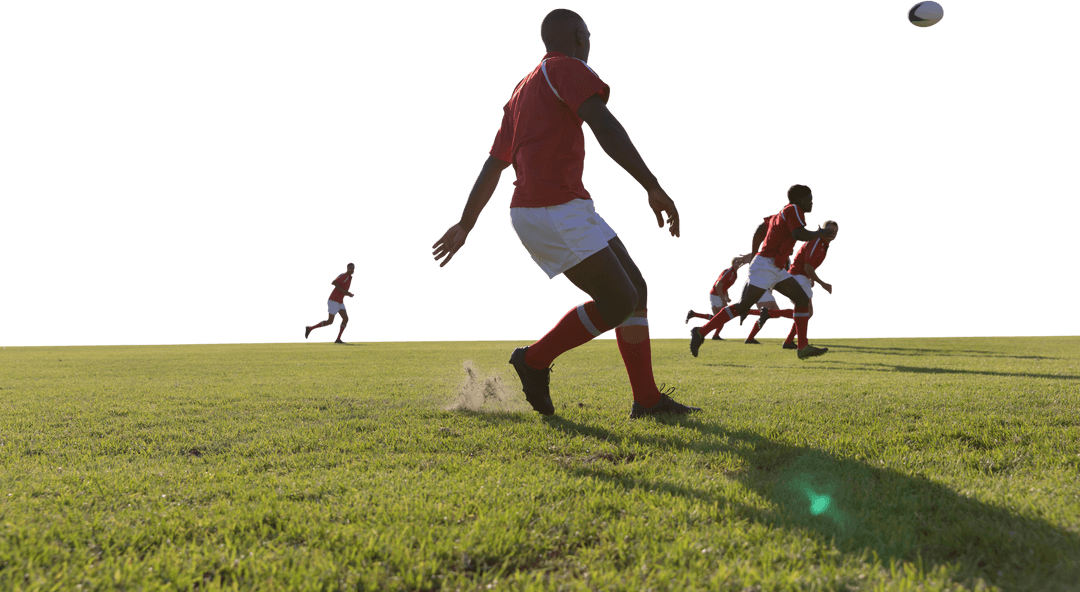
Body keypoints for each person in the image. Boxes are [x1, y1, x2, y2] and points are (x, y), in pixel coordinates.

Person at [431, 8, 699, 419]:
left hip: (564, 206)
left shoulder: (521, 91)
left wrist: (466, 222)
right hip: (550, 209)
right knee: (619, 299)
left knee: (637, 291)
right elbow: (605, 126)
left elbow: (493, 165)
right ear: (577, 35)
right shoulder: (565, 68)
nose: (590, 40)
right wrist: (651, 184)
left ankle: (647, 402)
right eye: (588, 33)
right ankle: (533, 360)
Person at [689, 184, 836, 359]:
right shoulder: (794, 209)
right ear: (799, 199)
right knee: (743, 306)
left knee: (801, 299)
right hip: (766, 265)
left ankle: (802, 347)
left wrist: (753, 252)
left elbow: (761, 228)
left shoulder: (783, 213)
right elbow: (798, 234)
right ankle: (701, 331)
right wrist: (819, 234)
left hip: (774, 266)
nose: (812, 202)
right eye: (809, 198)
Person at [757, 220, 839, 349]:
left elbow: (809, 266)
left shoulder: (823, 243)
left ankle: (786, 337)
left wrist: (811, 279)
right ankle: (771, 316)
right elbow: (807, 267)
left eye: (835, 231)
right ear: (823, 230)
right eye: (829, 230)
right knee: (805, 310)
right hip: (797, 276)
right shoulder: (817, 241)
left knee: (806, 312)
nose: (832, 233)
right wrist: (822, 284)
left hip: (802, 277)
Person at [684, 253, 778, 342]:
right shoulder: (729, 272)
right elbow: (718, 285)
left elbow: (725, 287)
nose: (739, 263)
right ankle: (712, 334)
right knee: (721, 318)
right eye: (736, 262)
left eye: (739, 262)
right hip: (715, 295)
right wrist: (722, 298)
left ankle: (695, 315)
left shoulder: (734, 274)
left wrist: (727, 297)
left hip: (717, 295)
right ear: (732, 264)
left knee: (718, 318)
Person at [304, 262, 355, 344]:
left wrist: (348, 294)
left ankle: (338, 339)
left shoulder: (350, 278)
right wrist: (346, 292)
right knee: (330, 322)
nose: (353, 270)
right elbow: (334, 282)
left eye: (354, 268)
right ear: (347, 268)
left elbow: (344, 289)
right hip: (334, 300)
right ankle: (309, 328)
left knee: (345, 318)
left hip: (340, 302)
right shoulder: (344, 275)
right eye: (351, 268)